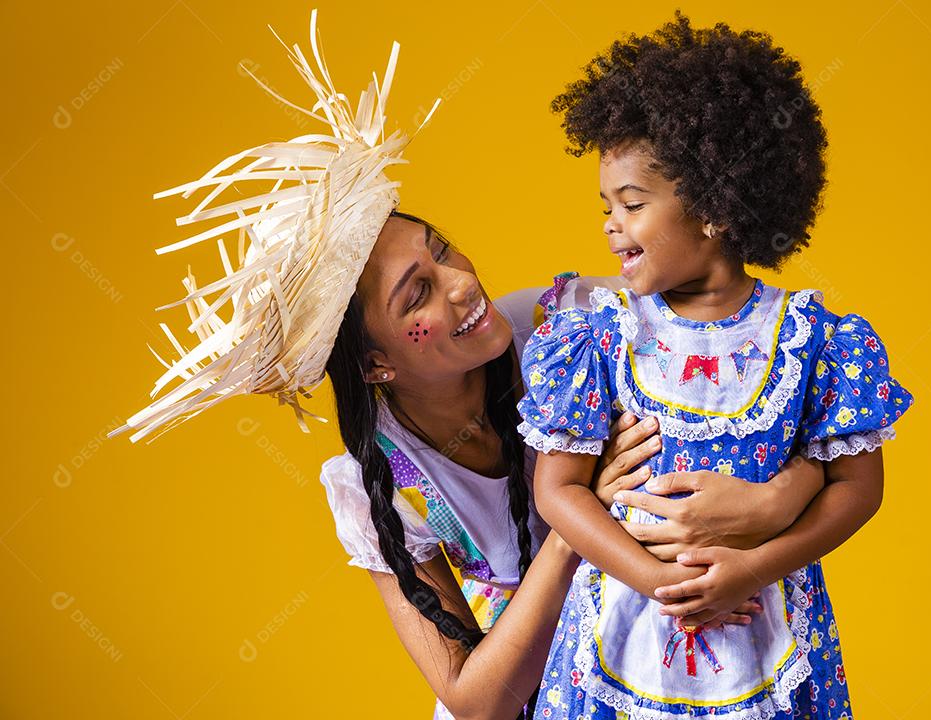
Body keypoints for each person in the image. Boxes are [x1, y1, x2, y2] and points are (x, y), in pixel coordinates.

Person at [108, 12, 827, 720]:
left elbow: (751, 358)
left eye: (442, 250)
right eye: (417, 293)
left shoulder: (571, 324)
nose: (461, 284)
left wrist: (779, 497)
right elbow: (475, 701)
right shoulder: (383, 488)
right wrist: (586, 520)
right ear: (374, 365)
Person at [517, 13, 914, 719]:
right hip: (619, 630)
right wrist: (659, 582)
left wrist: (752, 570)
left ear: (715, 211)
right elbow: (558, 491)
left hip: (770, 636)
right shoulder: (595, 335)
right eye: (605, 205)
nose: (610, 223)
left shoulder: (814, 337)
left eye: (632, 204)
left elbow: (859, 488)